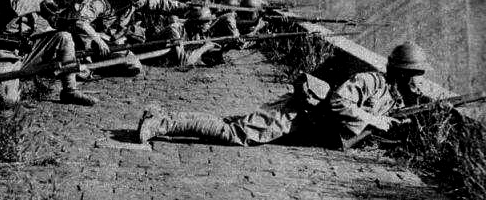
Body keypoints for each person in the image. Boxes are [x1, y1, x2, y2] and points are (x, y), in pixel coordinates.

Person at [138, 42, 429, 147]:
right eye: (415, 77)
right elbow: (339, 101)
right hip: (295, 114)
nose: (418, 85)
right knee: (235, 134)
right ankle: (161, 123)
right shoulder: (371, 81)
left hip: (307, 126)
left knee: (232, 124)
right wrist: (374, 119)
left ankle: (163, 116)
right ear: (402, 73)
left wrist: (389, 123)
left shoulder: (391, 97)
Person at [67, 0, 184, 76]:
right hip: (97, 45)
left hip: (118, 43)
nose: (138, 0)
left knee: (137, 61)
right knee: (133, 64)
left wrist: (185, 6)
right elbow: (80, 22)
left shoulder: (136, 0)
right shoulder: (102, 2)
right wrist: (99, 41)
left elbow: (161, 4)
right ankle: (94, 67)